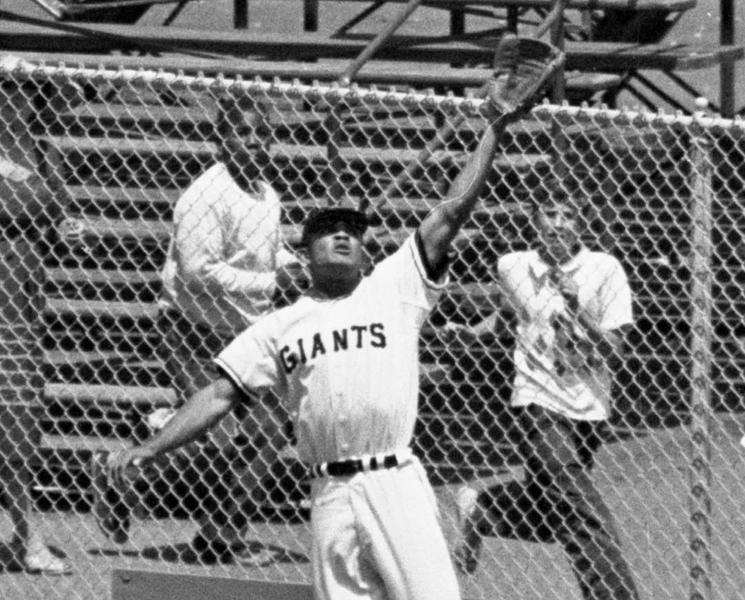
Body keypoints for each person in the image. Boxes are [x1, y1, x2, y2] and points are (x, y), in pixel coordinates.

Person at [100, 32, 541, 599]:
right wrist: (152, 447)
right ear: (304, 254)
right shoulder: (280, 324)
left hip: (395, 480)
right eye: (328, 232)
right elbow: (217, 394)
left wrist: (494, 130)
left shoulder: (394, 287)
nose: (341, 237)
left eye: (353, 233)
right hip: (329, 493)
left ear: (367, 252)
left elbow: (449, 212)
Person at [93, 94, 307, 566]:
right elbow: (195, 272)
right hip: (192, 328)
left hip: (244, 331)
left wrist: (297, 266)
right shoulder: (205, 196)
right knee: (219, 433)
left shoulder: (266, 194)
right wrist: (272, 282)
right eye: (243, 132)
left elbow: (268, 254)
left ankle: (219, 533)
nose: (254, 142)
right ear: (220, 139)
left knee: (270, 430)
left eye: (262, 133)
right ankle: (127, 472)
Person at [450, 183, 640, 599]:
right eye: (550, 213)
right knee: (583, 512)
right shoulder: (512, 266)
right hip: (536, 401)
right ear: (535, 220)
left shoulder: (605, 270)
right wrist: (471, 332)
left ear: (581, 223)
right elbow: (512, 314)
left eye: (568, 215)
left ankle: (482, 508)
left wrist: (579, 313)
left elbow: (617, 351)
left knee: (550, 514)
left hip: (588, 407)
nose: (558, 223)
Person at [0, 150, 71, 575]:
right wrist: (36, 191)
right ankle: (30, 537)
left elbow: (50, 211)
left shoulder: (36, 146)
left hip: (17, 309)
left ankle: (28, 536)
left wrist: (65, 229)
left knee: (18, 423)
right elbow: (26, 203)